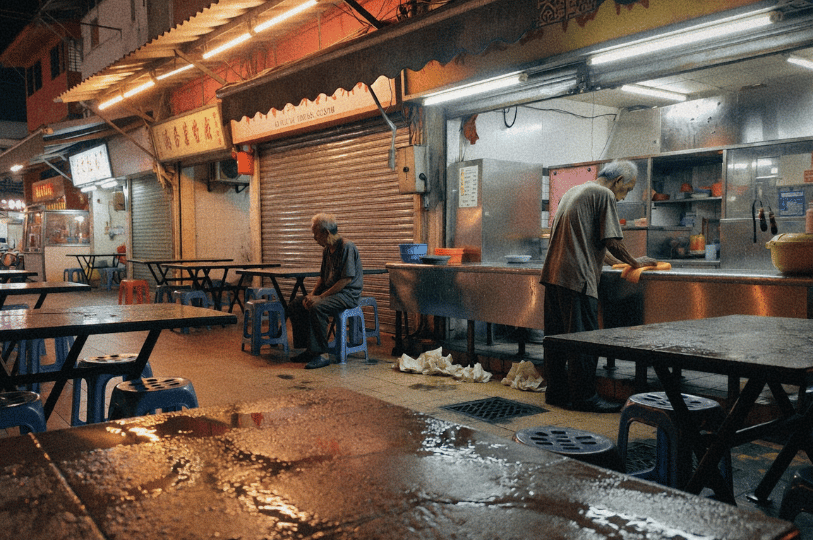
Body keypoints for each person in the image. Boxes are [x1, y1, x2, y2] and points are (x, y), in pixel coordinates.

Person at [540, 160, 657, 413]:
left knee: (556, 340)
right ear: (617, 182)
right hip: (577, 278)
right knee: (584, 341)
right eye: (627, 189)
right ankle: (585, 398)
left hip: (553, 275)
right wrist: (636, 262)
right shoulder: (604, 194)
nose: (624, 196)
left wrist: (619, 264)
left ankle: (556, 393)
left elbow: (596, 245)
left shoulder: (573, 191)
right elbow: (612, 241)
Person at [289, 213, 364, 369]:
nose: (314, 237)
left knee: (318, 307)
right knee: (297, 303)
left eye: (315, 233)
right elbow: (323, 278)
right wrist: (312, 294)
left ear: (326, 233)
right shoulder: (327, 250)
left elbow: (345, 280)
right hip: (333, 293)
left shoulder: (347, 247)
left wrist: (320, 298)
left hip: (347, 295)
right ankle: (310, 350)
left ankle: (322, 354)